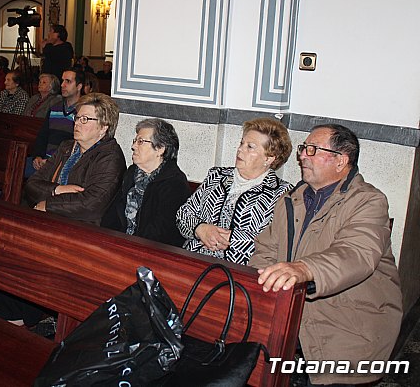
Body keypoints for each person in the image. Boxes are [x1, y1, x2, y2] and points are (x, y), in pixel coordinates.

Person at [250, 124, 402, 386]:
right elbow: (265, 250)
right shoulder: (290, 199)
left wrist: (305, 269)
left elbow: (356, 254)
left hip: (347, 324)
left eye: (312, 150)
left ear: (341, 161)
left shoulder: (368, 201)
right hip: (293, 317)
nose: (302, 156)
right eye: (303, 149)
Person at [176, 118, 293, 265]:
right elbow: (183, 214)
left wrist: (230, 238)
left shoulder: (282, 193)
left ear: (269, 158)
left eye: (250, 147)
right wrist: (200, 228)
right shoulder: (217, 176)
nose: (240, 149)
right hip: (194, 260)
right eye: (241, 143)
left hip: (241, 271)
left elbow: (276, 243)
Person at [25, 92, 126, 225]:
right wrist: (57, 189)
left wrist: (48, 205)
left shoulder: (110, 156)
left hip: (85, 230)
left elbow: (91, 204)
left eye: (84, 119)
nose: (77, 124)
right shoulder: (66, 147)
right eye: (77, 118)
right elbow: (32, 184)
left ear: (103, 127)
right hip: (54, 220)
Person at [102, 118, 191, 246]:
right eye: (135, 141)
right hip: (123, 244)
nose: (133, 146)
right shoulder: (132, 173)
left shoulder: (174, 182)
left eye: (141, 142)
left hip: (152, 251)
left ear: (160, 148)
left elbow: (161, 233)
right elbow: (113, 213)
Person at [28, 69, 84, 176]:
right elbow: (42, 136)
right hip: (45, 160)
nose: (62, 85)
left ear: (79, 86)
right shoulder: (55, 108)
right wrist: (38, 156)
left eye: (68, 81)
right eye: (62, 81)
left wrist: (53, 162)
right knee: (17, 168)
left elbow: (77, 145)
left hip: (65, 164)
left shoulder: (83, 112)